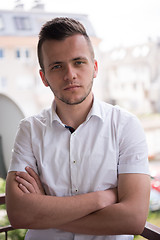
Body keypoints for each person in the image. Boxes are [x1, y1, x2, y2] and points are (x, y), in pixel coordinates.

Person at [6, 17, 150, 240]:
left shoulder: (126, 126)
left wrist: (44, 210)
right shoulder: (29, 129)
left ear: (94, 67)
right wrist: (101, 199)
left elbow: (133, 219)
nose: (70, 74)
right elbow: (18, 214)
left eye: (79, 62)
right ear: (43, 77)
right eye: (57, 66)